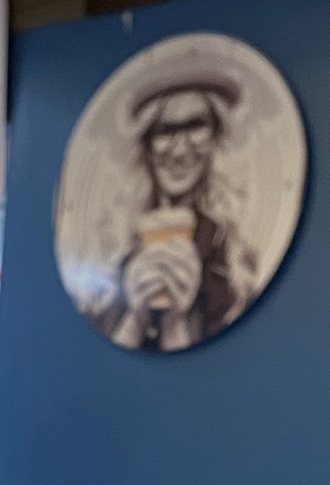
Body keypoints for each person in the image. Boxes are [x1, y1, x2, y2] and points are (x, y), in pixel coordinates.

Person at [99, 78, 251, 351]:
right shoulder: (118, 242)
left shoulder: (230, 250)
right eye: (165, 130)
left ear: (216, 136)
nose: (180, 150)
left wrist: (175, 321)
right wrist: (137, 316)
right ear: (146, 143)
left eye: (195, 127)